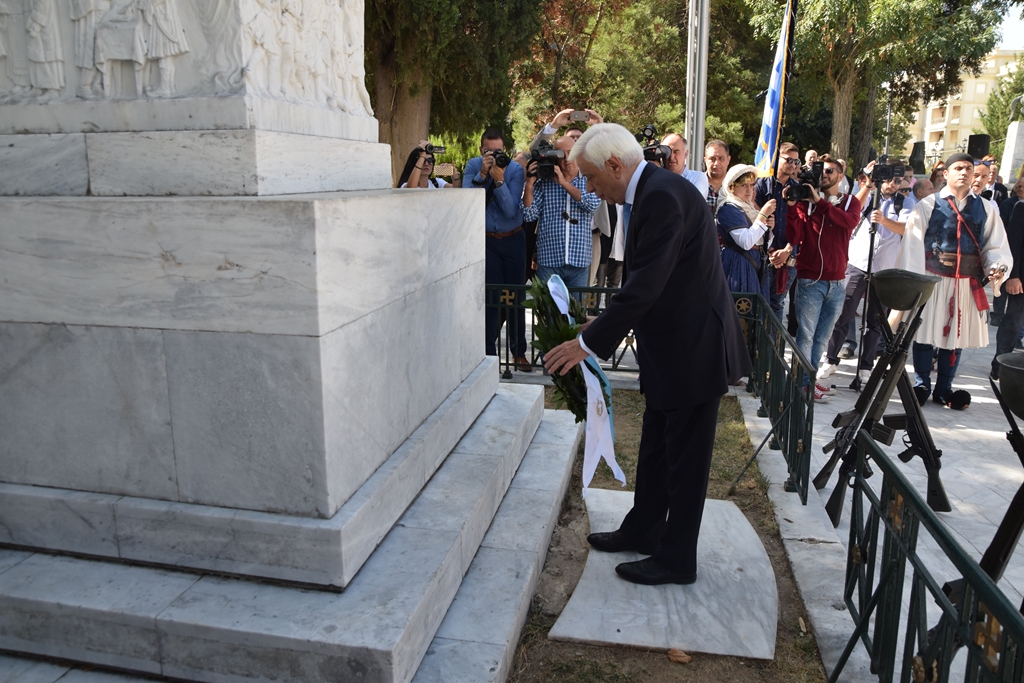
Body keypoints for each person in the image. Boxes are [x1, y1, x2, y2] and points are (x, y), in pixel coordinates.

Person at [543, 123, 749, 586]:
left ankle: (676, 559)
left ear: (615, 165)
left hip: (693, 349)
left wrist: (585, 345)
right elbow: (652, 280)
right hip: (673, 346)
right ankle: (644, 528)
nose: (590, 188)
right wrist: (602, 323)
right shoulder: (655, 190)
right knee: (657, 447)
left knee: (686, 461)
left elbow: (647, 284)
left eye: (591, 177)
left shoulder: (660, 196)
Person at [895, 153, 1012, 408]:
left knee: (956, 337)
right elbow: (913, 245)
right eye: (958, 168)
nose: (964, 172)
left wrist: (996, 268)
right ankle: (921, 384)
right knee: (925, 332)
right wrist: (915, 284)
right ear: (946, 173)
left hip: (966, 281)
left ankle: (944, 389)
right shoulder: (928, 205)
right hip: (932, 278)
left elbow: (994, 246)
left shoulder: (986, 208)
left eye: (969, 168)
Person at [819, 161, 909, 385]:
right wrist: (869, 185)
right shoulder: (868, 195)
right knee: (843, 314)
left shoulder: (905, 203)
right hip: (857, 264)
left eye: (897, 180)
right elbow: (852, 208)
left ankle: (866, 367)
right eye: (888, 179)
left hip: (885, 270)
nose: (892, 184)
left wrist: (884, 221)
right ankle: (830, 360)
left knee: (876, 321)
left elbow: (907, 228)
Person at [784, 154, 862, 402]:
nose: (825, 175)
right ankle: (802, 384)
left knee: (822, 338)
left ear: (840, 175)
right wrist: (792, 207)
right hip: (810, 281)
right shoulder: (805, 203)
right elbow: (794, 237)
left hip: (837, 282)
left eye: (830, 171)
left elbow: (847, 223)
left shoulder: (849, 202)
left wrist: (819, 202)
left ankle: (809, 379)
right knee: (806, 336)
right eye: (822, 171)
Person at [461, 128, 530, 369]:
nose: (493, 155)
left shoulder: (514, 170)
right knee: (491, 298)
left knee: (516, 297)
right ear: (481, 150)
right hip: (487, 240)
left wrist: (499, 180)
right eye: (488, 151)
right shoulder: (473, 166)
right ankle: (488, 354)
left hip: (513, 238)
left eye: (498, 151)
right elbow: (468, 203)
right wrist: (482, 174)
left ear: (505, 149)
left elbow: (511, 210)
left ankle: (518, 352)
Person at [521, 136, 600, 288]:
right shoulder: (544, 180)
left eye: (571, 152)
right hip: (549, 260)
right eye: (561, 154)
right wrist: (530, 183)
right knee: (547, 304)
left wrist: (563, 183)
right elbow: (529, 215)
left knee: (576, 304)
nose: (566, 158)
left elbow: (591, 205)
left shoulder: (588, 178)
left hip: (579, 260)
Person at [755, 141, 800, 320]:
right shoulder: (762, 184)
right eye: (788, 159)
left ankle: (774, 339)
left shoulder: (797, 190)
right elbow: (752, 215)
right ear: (776, 158)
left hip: (788, 257)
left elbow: (802, 224)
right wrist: (771, 250)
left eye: (796, 161)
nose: (792, 164)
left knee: (777, 304)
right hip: (765, 255)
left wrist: (787, 250)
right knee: (761, 303)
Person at [716, 164, 774, 301]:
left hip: (755, 262)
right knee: (742, 306)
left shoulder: (749, 208)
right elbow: (746, 242)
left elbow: (763, 243)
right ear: (731, 187)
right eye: (743, 185)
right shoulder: (728, 208)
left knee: (756, 307)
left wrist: (769, 229)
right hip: (738, 263)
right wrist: (762, 216)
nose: (749, 190)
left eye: (752, 185)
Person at [992, 200, 1024, 380]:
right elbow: (1014, 243)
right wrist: (1013, 276)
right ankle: (1000, 364)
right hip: (1021, 281)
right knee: (1013, 323)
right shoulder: (1022, 207)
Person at [662, 133, 710, 197]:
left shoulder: (697, 178)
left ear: (686, 154)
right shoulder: (655, 176)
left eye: (676, 152)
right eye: (667, 152)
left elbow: (693, 201)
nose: (671, 157)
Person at [703, 140, 731, 212]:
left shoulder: (736, 187)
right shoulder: (696, 185)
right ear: (705, 160)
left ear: (728, 160)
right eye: (712, 159)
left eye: (721, 158)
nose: (716, 163)